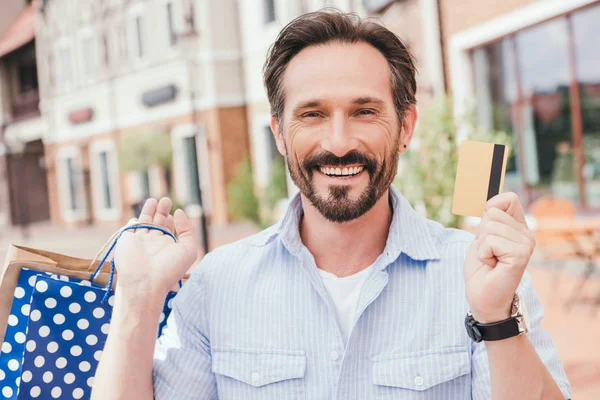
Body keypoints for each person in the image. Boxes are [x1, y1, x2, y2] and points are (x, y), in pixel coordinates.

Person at [92, 10, 571, 399]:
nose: (339, 142)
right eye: (312, 114)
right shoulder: (217, 284)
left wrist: (497, 319)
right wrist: (137, 298)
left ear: (405, 127)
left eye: (364, 112)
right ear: (279, 133)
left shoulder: (483, 277)